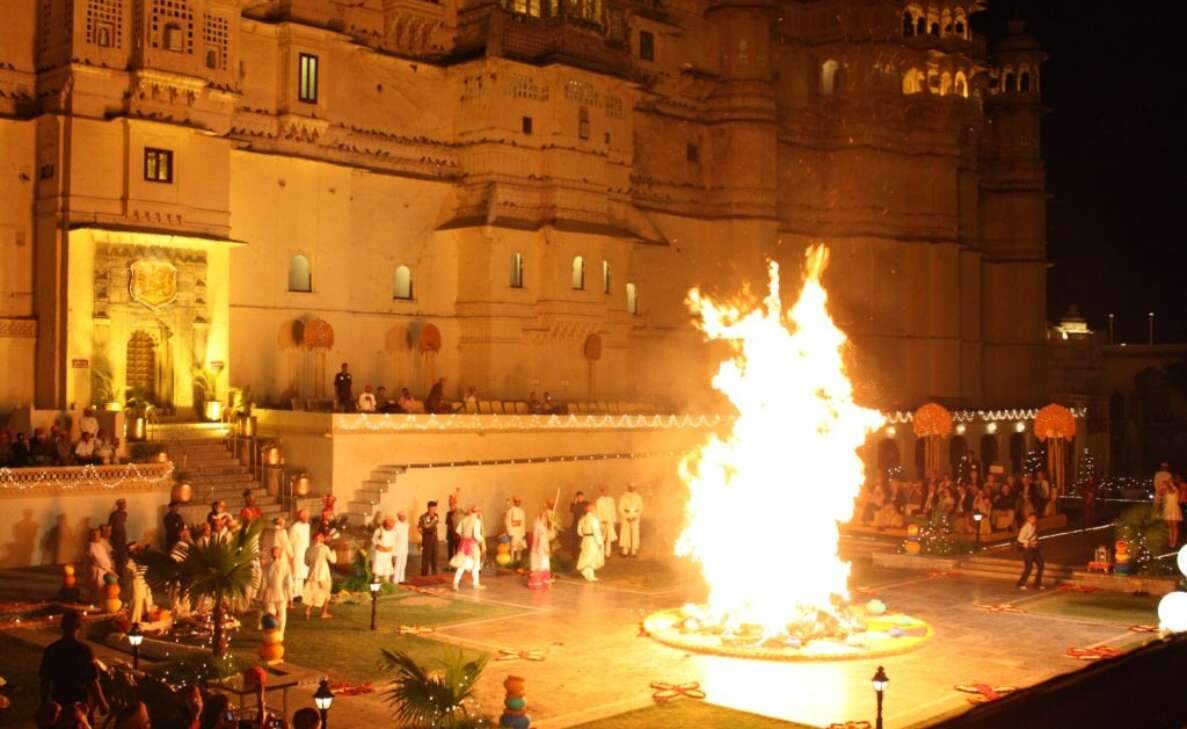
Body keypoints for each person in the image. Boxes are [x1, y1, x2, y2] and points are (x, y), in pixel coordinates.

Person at [39, 611, 109, 717]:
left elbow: (45, 680)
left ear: (62, 626)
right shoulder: (84, 650)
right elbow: (92, 680)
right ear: (79, 627)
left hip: (59, 700)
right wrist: (102, 703)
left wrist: (44, 703)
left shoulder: (52, 649)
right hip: (80, 703)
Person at [259, 545, 292, 634]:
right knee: (280, 614)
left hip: (271, 594)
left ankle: (273, 633)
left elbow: (264, 582)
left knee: (271, 614)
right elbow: (288, 582)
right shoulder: (284, 566)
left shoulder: (268, 566)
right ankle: (279, 633)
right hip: (280, 593)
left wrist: (261, 595)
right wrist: (290, 597)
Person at [451, 506, 485, 591]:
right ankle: (475, 584)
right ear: (477, 512)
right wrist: (482, 540)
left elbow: (458, 531)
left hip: (463, 544)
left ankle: (455, 583)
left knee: (462, 564)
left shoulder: (464, 520)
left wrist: (464, 537)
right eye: (479, 511)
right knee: (475, 564)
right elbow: (476, 535)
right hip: (472, 545)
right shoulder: (476, 521)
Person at [303, 532, 335, 619]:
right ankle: (324, 612)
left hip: (312, 574)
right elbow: (333, 560)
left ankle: (307, 610)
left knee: (312, 593)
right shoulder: (325, 548)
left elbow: (306, 562)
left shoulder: (308, 549)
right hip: (323, 574)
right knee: (326, 593)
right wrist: (333, 551)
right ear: (321, 539)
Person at [126, 544, 155, 624]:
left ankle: (142, 625)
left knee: (147, 606)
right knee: (136, 606)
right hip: (136, 585)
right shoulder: (130, 563)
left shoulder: (144, 561)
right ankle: (133, 625)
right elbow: (131, 574)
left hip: (144, 584)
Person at [575, 504, 604, 582]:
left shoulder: (582, 519)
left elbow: (579, 532)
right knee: (591, 557)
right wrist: (599, 542)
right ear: (591, 510)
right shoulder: (594, 520)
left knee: (586, 556)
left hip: (585, 539)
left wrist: (585, 535)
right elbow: (596, 531)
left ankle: (588, 573)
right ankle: (589, 575)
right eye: (594, 509)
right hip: (592, 540)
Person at [1015, 513, 1044, 590]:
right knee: (1029, 567)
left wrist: (1036, 542)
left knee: (1041, 565)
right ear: (1028, 519)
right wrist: (1029, 542)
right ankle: (1021, 583)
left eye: (1035, 518)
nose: (1033, 520)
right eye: (1032, 518)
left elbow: (1035, 536)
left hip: (1035, 548)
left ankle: (1037, 583)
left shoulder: (1035, 526)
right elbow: (1019, 538)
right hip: (1027, 549)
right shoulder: (1025, 527)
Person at [288, 509, 312, 599]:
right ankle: (294, 594)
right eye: (304, 516)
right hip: (297, 552)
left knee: (302, 574)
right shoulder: (295, 527)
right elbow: (290, 541)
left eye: (307, 516)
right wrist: (291, 554)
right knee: (296, 574)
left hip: (305, 552)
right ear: (300, 516)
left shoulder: (308, 526)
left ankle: (300, 593)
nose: (306, 517)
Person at [86, 528, 115, 602]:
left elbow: (105, 558)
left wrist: (110, 567)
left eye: (98, 535)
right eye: (94, 535)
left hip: (104, 571)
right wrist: (109, 570)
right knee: (97, 590)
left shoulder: (100, 545)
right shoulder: (91, 546)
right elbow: (98, 560)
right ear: (91, 536)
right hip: (98, 571)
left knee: (102, 591)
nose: (97, 536)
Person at [528, 509, 553, 589]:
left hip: (544, 546)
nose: (545, 519)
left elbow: (549, 537)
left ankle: (544, 582)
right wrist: (536, 548)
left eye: (545, 517)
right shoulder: (537, 526)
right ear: (540, 517)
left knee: (545, 564)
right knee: (539, 564)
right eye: (544, 517)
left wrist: (551, 529)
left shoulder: (544, 527)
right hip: (539, 547)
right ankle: (537, 583)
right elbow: (536, 538)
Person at [618, 482, 643, 557]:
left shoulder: (638, 497)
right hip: (626, 517)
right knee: (625, 533)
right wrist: (626, 517)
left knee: (635, 534)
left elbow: (641, 508)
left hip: (635, 517)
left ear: (635, 488)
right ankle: (625, 550)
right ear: (628, 487)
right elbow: (620, 508)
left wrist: (635, 516)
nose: (631, 488)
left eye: (633, 487)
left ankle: (633, 551)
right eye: (630, 487)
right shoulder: (623, 497)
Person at [594, 487, 618, 560]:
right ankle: (600, 553)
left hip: (610, 522)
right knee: (601, 538)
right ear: (602, 492)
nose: (606, 492)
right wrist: (601, 520)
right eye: (604, 491)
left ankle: (608, 553)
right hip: (602, 522)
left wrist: (614, 521)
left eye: (607, 491)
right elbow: (598, 512)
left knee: (609, 538)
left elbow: (613, 510)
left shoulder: (611, 500)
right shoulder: (599, 501)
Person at [371, 517, 397, 583]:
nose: (391, 528)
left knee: (387, 570)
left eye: (392, 526)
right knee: (378, 569)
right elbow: (373, 540)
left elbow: (394, 542)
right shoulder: (378, 531)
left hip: (388, 553)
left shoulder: (393, 532)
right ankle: (376, 583)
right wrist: (377, 546)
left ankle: (386, 583)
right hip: (379, 553)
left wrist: (391, 550)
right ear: (386, 525)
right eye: (389, 526)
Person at [108, 498, 129, 578]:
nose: (124, 505)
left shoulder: (125, 514)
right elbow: (110, 525)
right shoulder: (114, 514)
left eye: (124, 504)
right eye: (122, 504)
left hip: (122, 535)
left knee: (123, 553)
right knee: (117, 554)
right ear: (118, 505)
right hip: (115, 537)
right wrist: (110, 536)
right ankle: (117, 572)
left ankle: (122, 571)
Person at [418, 501, 440, 576]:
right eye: (433, 508)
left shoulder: (436, 515)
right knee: (426, 557)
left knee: (435, 556)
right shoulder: (423, 517)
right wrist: (424, 533)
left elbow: (431, 525)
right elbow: (420, 528)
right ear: (429, 508)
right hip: (427, 538)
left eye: (435, 508)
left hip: (434, 538)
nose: (435, 509)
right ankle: (424, 575)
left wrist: (426, 527)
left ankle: (434, 575)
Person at [504, 497, 527, 563]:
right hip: (513, 531)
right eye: (516, 501)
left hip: (520, 531)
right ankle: (512, 561)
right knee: (512, 547)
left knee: (519, 547)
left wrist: (523, 533)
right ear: (514, 502)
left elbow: (523, 523)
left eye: (519, 501)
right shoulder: (511, 510)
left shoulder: (522, 511)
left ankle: (518, 561)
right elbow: (507, 522)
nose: (518, 503)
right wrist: (510, 532)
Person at [393, 511, 410, 583]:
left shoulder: (407, 525)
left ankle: (401, 579)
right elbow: (394, 537)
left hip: (405, 547)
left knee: (403, 564)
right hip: (398, 548)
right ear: (399, 517)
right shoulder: (395, 525)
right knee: (397, 564)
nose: (403, 517)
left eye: (404, 516)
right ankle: (395, 580)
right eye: (402, 516)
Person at [1165, 476, 1182, 549]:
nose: (1169, 482)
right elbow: (1164, 499)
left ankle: (1174, 543)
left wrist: (1171, 484)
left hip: (1174, 509)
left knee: (1175, 527)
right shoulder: (1167, 490)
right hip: (1168, 509)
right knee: (1170, 527)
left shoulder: (1177, 490)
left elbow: (1178, 498)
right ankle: (1170, 542)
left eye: (1171, 480)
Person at [445, 492, 462, 562]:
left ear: (455, 504)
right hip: (450, 535)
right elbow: (448, 525)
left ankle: (458, 563)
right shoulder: (448, 514)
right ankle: (451, 563)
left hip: (457, 535)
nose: (450, 506)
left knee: (458, 549)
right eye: (450, 504)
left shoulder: (459, 512)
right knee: (450, 550)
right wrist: (449, 534)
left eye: (452, 504)